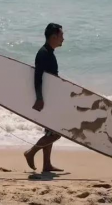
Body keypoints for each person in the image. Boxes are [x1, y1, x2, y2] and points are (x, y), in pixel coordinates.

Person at [24, 23, 65, 174]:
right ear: (53, 37)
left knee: (49, 132)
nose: (63, 39)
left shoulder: (49, 52)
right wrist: (39, 98)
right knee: (56, 133)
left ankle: (46, 165)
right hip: (45, 100)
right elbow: (38, 77)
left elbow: (50, 78)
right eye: (61, 36)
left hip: (49, 99)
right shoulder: (43, 53)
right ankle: (31, 152)